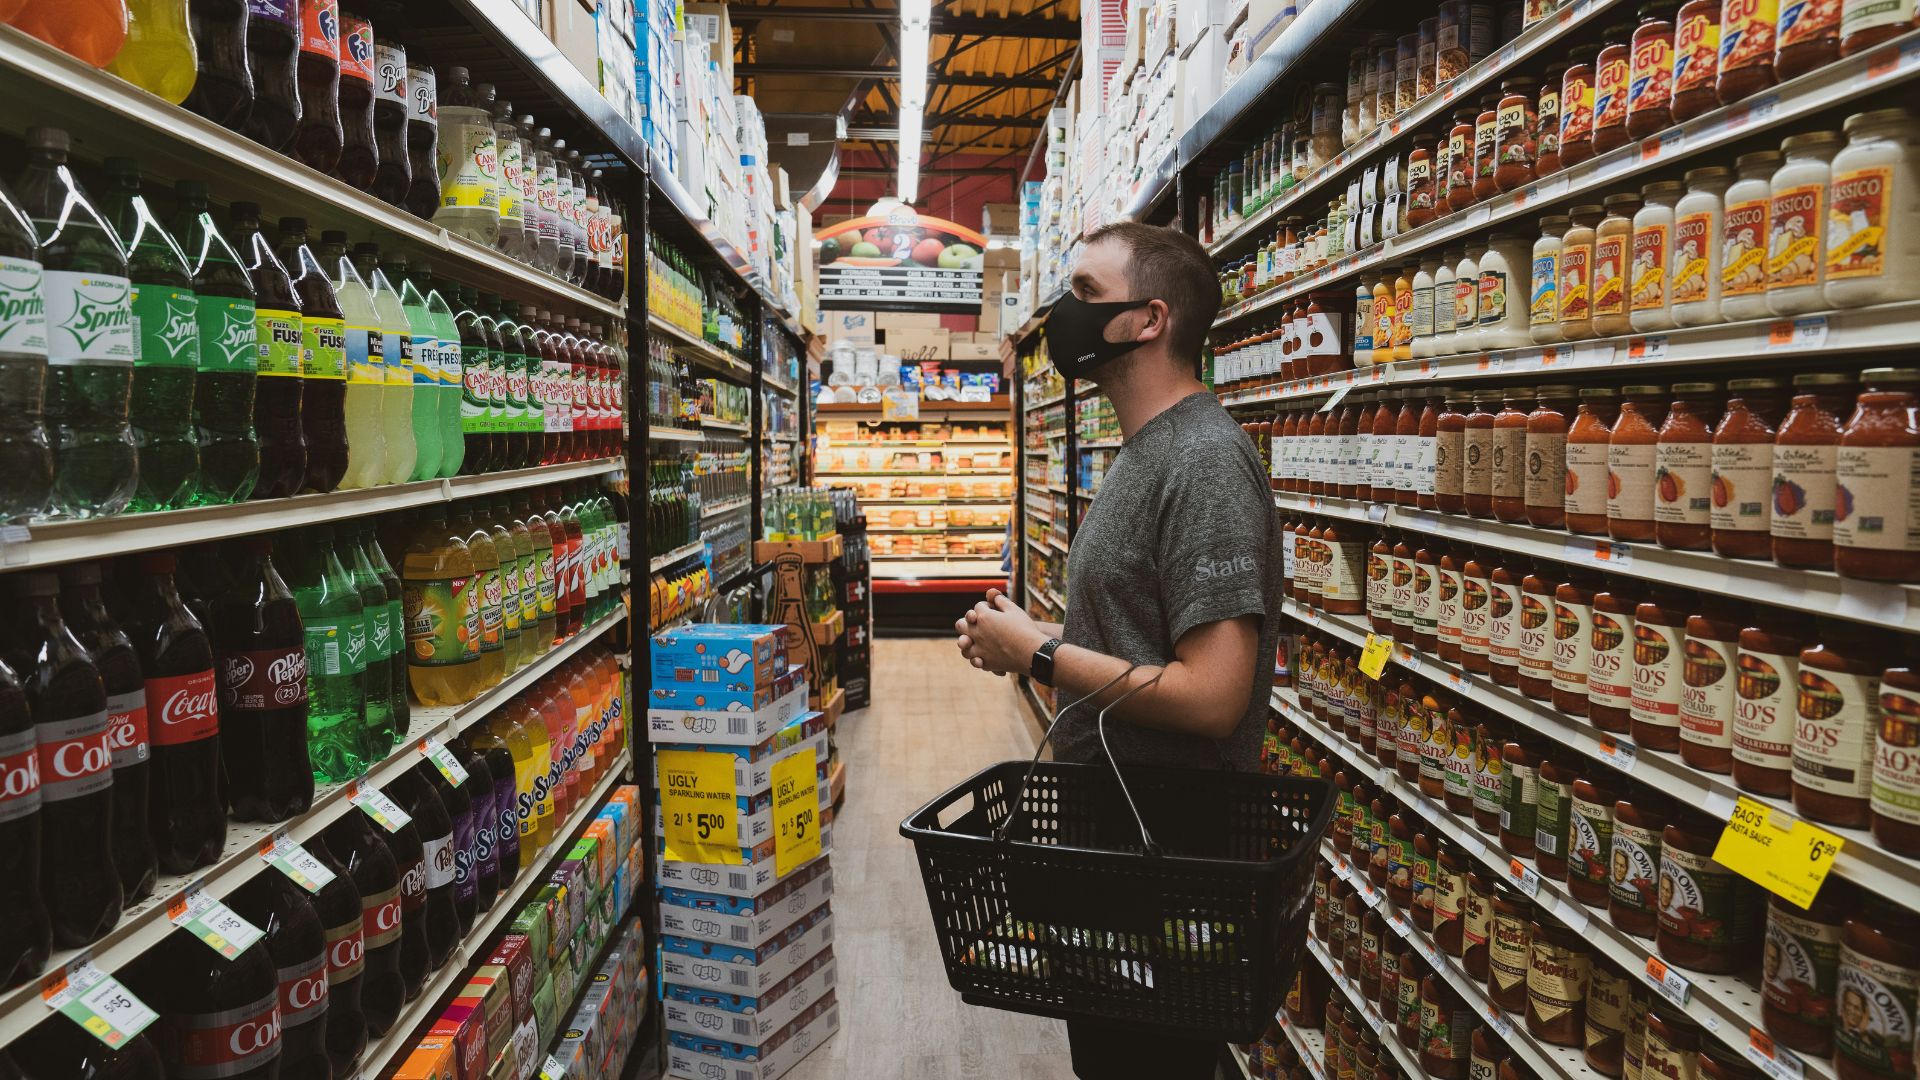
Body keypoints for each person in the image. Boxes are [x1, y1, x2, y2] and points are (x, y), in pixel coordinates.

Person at [953, 220, 1287, 1080]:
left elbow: (1214, 695)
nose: (1064, 313)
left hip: (1170, 851)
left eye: (1085, 294)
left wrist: (1039, 654)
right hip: (1121, 838)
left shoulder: (1204, 459)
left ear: (1149, 319)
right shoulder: (1145, 453)